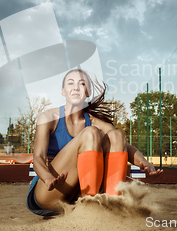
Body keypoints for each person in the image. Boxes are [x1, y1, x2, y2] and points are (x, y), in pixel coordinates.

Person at [26, 69, 162, 216]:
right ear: (63, 91)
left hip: (79, 193)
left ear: (88, 92)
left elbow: (124, 146)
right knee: (91, 132)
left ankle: (111, 204)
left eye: (82, 83)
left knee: (116, 135)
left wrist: (144, 162)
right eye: (70, 83)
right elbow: (38, 157)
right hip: (52, 190)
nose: (76, 87)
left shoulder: (96, 122)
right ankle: (89, 208)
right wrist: (48, 178)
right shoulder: (48, 117)